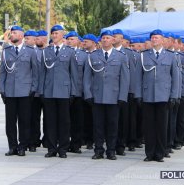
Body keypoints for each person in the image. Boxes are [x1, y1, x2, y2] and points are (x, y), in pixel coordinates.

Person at [83, 30, 130, 160]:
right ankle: (98, 150)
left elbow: (125, 79)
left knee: (113, 125)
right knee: (98, 125)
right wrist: (88, 94)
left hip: (114, 97)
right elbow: (87, 77)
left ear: (113, 40)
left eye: (108, 38)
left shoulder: (121, 56)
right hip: (97, 96)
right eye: (103, 38)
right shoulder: (93, 56)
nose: (105, 40)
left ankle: (111, 150)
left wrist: (122, 97)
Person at [39, 25, 78, 158]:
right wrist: (41, 91)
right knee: (50, 121)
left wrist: (73, 92)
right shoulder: (46, 51)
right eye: (52, 34)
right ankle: (51, 148)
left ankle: (63, 148)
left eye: (56, 33)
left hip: (64, 91)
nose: (54, 36)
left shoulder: (70, 52)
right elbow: (42, 73)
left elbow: (74, 74)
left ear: (62, 35)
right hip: (49, 91)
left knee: (64, 122)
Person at [0, 25, 38, 157]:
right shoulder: (6, 51)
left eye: (14, 33)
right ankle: (12, 146)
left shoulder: (30, 51)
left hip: (25, 91)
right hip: (10, 91)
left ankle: (22, 146)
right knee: (10, 122)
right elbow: (3, 73)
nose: (11, 35)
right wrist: (2, 90)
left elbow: (35, 72)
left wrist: (33, 89)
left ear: (21, 36)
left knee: (24, 121)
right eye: (11, 33)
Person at [141, 29, 179, 162]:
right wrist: (139, 95)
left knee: (162, 126)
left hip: (164, 96)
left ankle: (160, 153)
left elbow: (176, 77)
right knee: (149, 126)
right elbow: (138, 77)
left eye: (157, 38)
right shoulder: (144, 55)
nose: (154, 40)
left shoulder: (171, 56)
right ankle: (149, 153)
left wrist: (174, 95)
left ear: (162, 40)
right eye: (152, 38)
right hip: (148, 95)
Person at [66, 31, 87, 154]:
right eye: (68, 39)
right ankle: (65, 142)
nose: (70, 41)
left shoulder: (84, 55)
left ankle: (76, 144)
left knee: (77, 120)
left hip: (78, 92)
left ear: (78, 41)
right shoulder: (63, 52)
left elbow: (86, 75)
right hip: (64, 92)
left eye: (72, 39)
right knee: (65, 120)